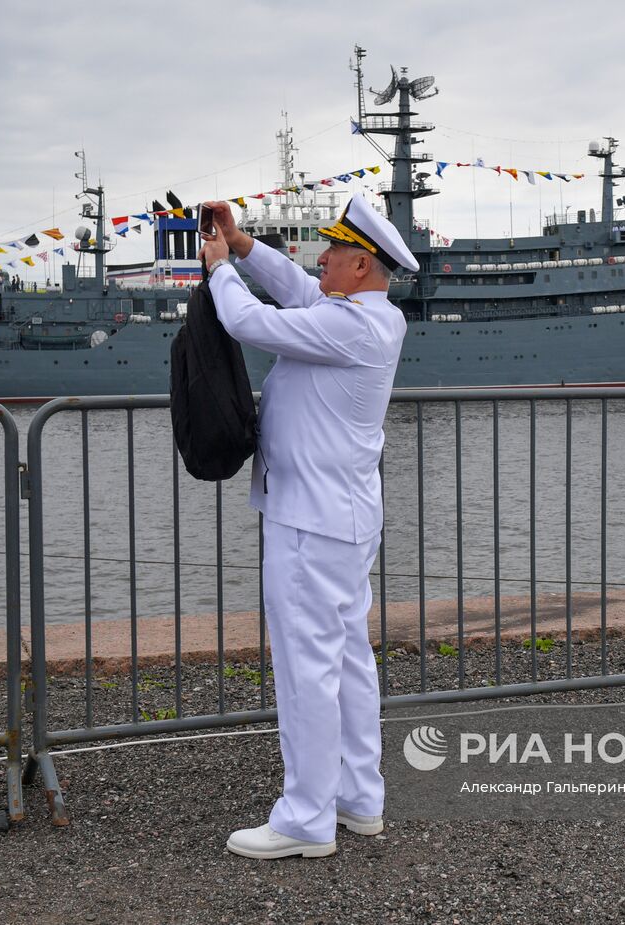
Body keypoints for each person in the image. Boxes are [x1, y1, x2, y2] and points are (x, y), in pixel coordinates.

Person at [197, 193, 418, 860]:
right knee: (348, 658)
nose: (318, 258)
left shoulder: (351, 327)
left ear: (359, 265)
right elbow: (293, 285)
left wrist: (215, 269)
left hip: (308, 522)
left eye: (332, 252)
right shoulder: (363, 315)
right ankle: (358, 797)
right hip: (340, 519)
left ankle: (305, 816)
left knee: (305, 669)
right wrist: (240, 245)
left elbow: (247, 322)